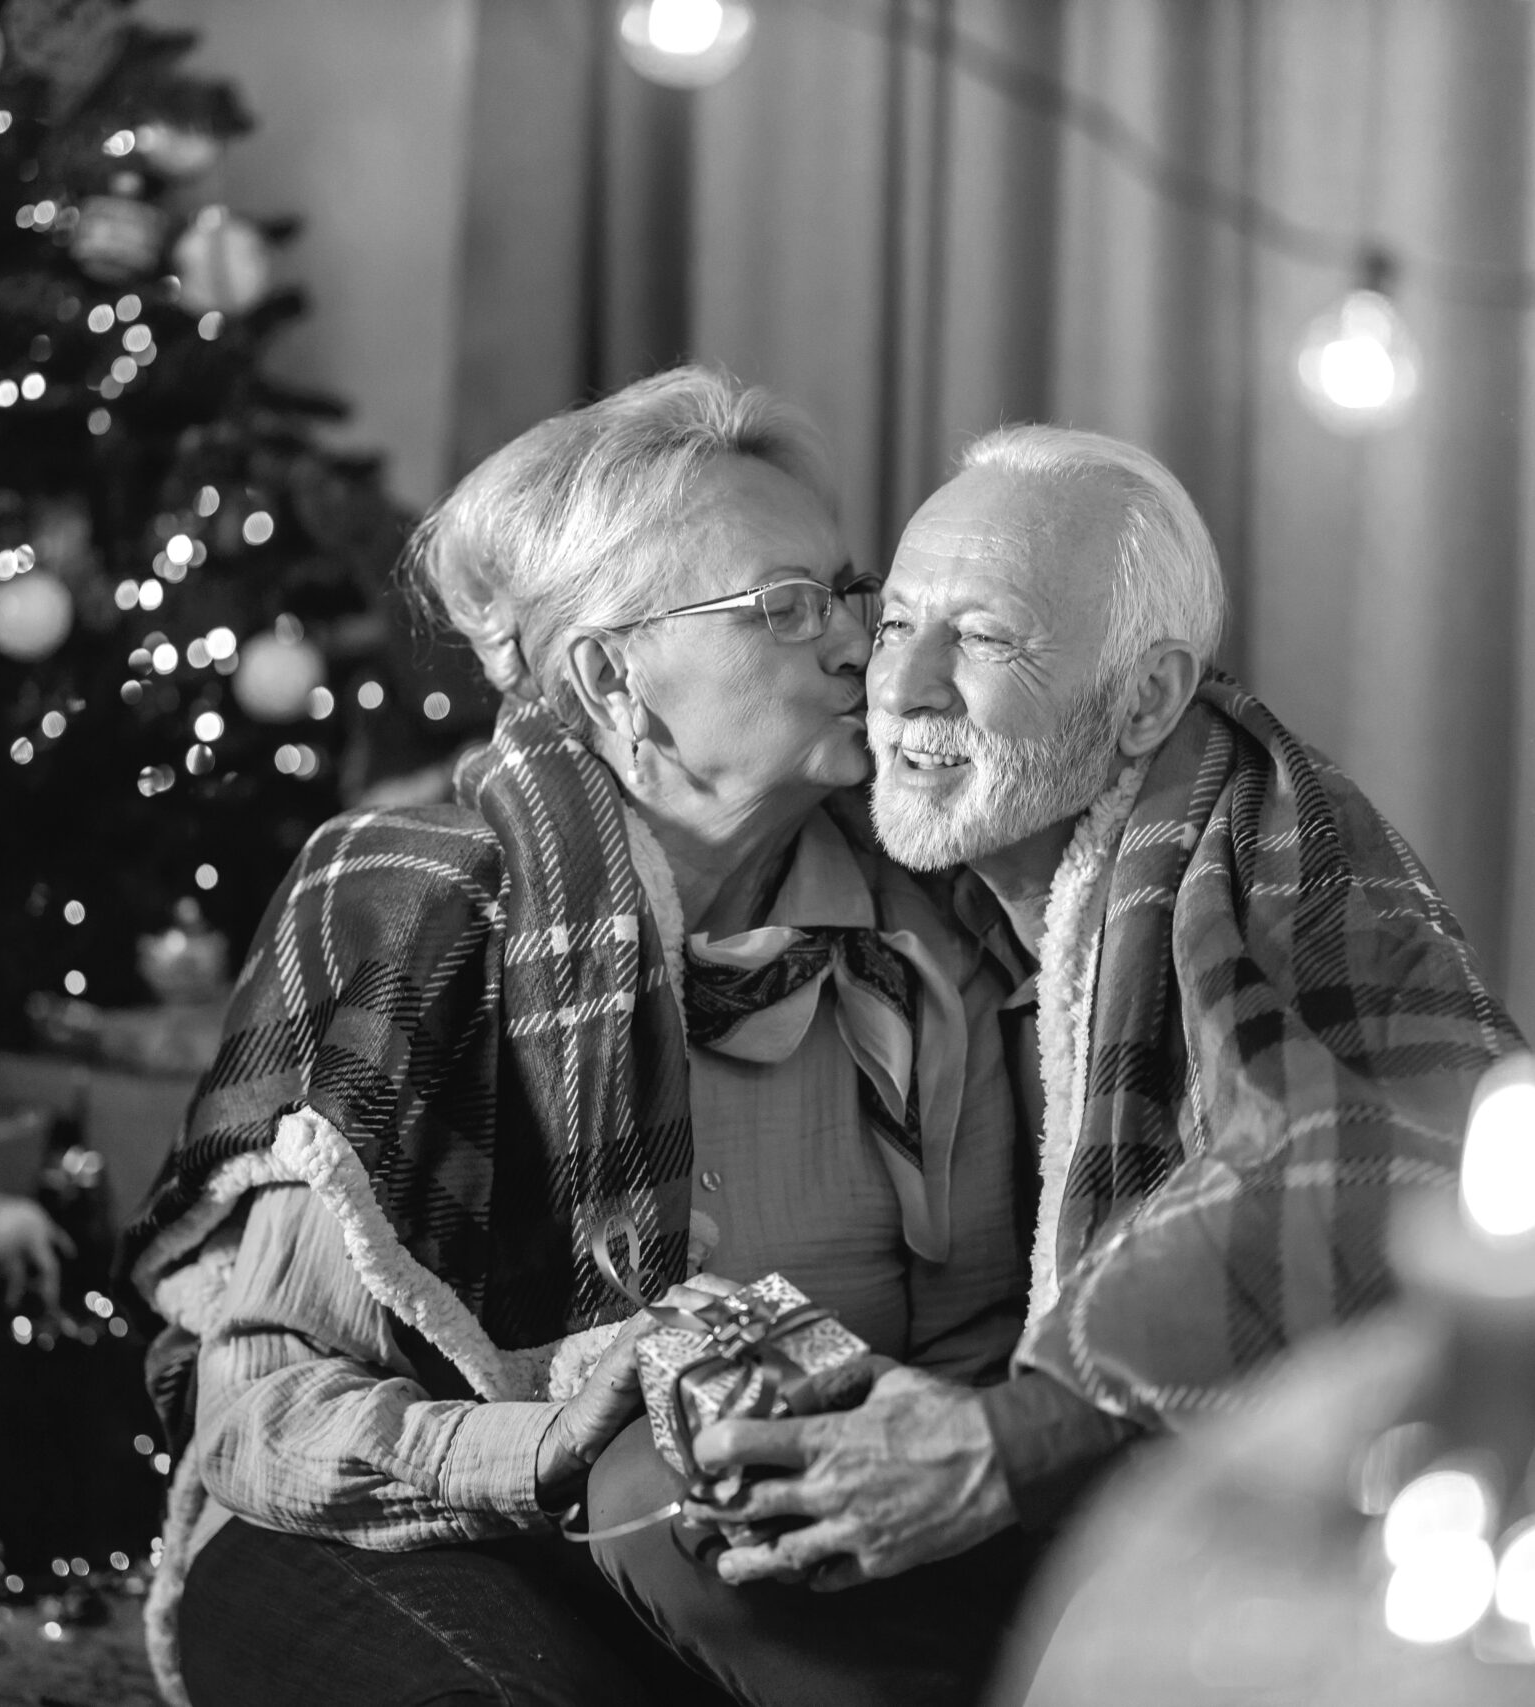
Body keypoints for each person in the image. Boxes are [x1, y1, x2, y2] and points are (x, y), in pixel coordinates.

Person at [123, 369, 1031, 1707]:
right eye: (787, 607)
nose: (860, 645)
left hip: (745, 1548)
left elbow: (973, 1347)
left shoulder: (928, 935)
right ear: (614, 678)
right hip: (399, 1515)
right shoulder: (421, 906)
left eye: (848, 592)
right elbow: (261, 1419)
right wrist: (550, 1437)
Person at [661, 425, 1525, 1619]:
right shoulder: (916, 837)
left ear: (1146, 699)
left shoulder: (1269, 844)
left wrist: (1014, 1441)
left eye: (983, 638)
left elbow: (1403, 1167)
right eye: (897, 620)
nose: (901, 687)